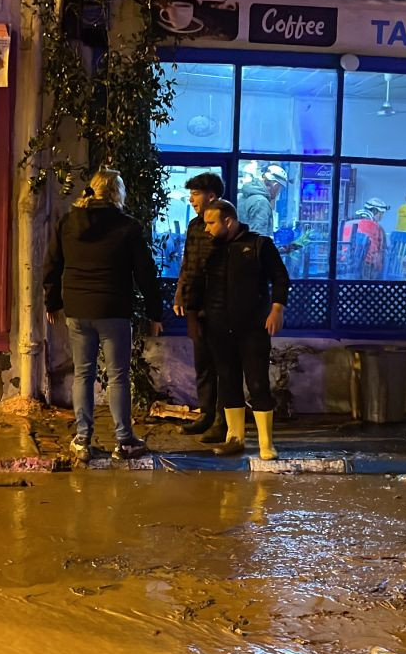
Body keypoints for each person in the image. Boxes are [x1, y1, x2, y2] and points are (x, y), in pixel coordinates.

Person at [43, 169, 164, 462]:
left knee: (82, 374)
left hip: (78, 309)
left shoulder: (68, 222)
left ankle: (83, 439)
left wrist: (52, 302)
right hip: (113, 308)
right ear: (117, 193)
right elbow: (145, 272)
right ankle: (124, 441)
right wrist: (154, 312)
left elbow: (52, 264)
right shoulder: (127, 226)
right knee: (118, 376)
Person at [188, 199, 290, 459]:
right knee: (228, 383)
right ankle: (234, 438)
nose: (207, 228)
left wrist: (277, 309)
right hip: (218, 328)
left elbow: (280, 277)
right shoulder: (210, 249)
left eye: (211, 222)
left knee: (257, 384)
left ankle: (266, 444)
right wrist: (193, 318)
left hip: (252, 328)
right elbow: (196, 283)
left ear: (229, 222)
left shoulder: (259, 245)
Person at [171, 172, 226, 443]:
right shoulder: (194, 226)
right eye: (191, 194)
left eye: (195, 193)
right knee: (202, 361)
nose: (191, 199)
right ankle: (206, 413)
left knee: (222, 362)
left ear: (211, 196)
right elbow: (188, 262)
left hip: (218, 305)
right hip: (195, 304)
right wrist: (180, 294)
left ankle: (222, 419)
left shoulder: (225, 226)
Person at [236, 165, 286, 238]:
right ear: (276, 186)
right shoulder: (261, 202)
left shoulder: (246, 195)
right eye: (280, 189)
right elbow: (258, 237)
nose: (279, 193)